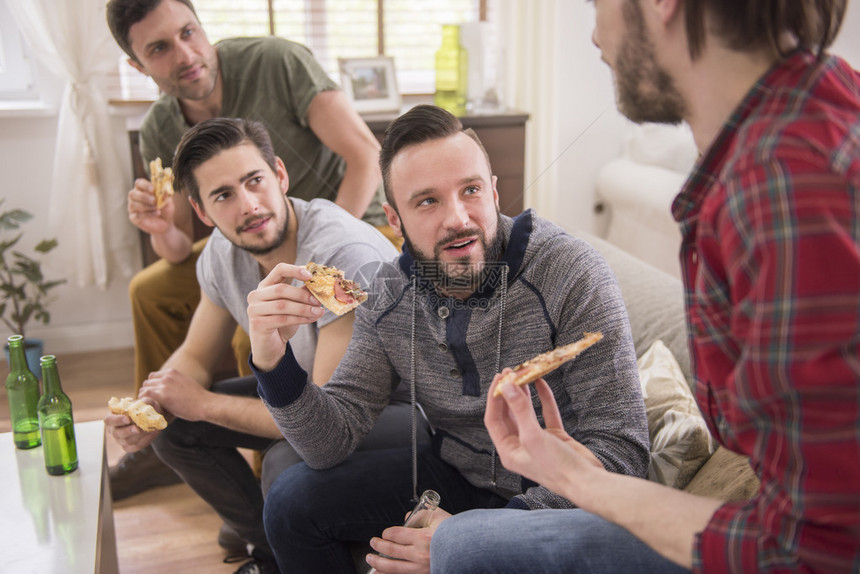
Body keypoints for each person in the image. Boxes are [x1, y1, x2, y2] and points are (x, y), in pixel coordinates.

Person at [431, 1, 860, 573]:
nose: (593, 36)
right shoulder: (821, 104)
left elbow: (812, 551)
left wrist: (584, 483)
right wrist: (575, 478)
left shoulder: (780, 189)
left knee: (461, 548)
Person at [247, 104, 651, 573]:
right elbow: (328, 441)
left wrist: (475, 536)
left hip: (564, 494)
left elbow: (623, 451)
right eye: (427, 201)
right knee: (290, 503)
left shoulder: (571, 273)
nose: (458, 218)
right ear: (394, 220)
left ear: (495, 192)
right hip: (459, 475)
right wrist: (271, 357)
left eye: (471, 190)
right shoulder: (387, 294)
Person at [105, 0, 392, 499]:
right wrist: (162, 400)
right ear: (138, 66)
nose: (185, 53)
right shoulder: (161, 129)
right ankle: (250, 527)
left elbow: (367, 154)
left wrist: (315, 264)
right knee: (150, 292)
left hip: (336, 224)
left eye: (188, 32)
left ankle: (269, 474)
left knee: (253, 344)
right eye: (159, 48)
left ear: (278, 173)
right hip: (255, 244)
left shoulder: (276, 61)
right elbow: (176, 254)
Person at [105, 117, 414, 574]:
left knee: (285, 461)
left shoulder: (341, 255)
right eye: (224, 195)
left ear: (281, 175)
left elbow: (326, 421)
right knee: (173, 425)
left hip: (392, 413)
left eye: (255, 181)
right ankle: (272, 552)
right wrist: (152, 405)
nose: (248, 205)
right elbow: (193, 355)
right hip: (308, 396)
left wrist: (203, 403)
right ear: (204, 212)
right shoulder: (223, 251)